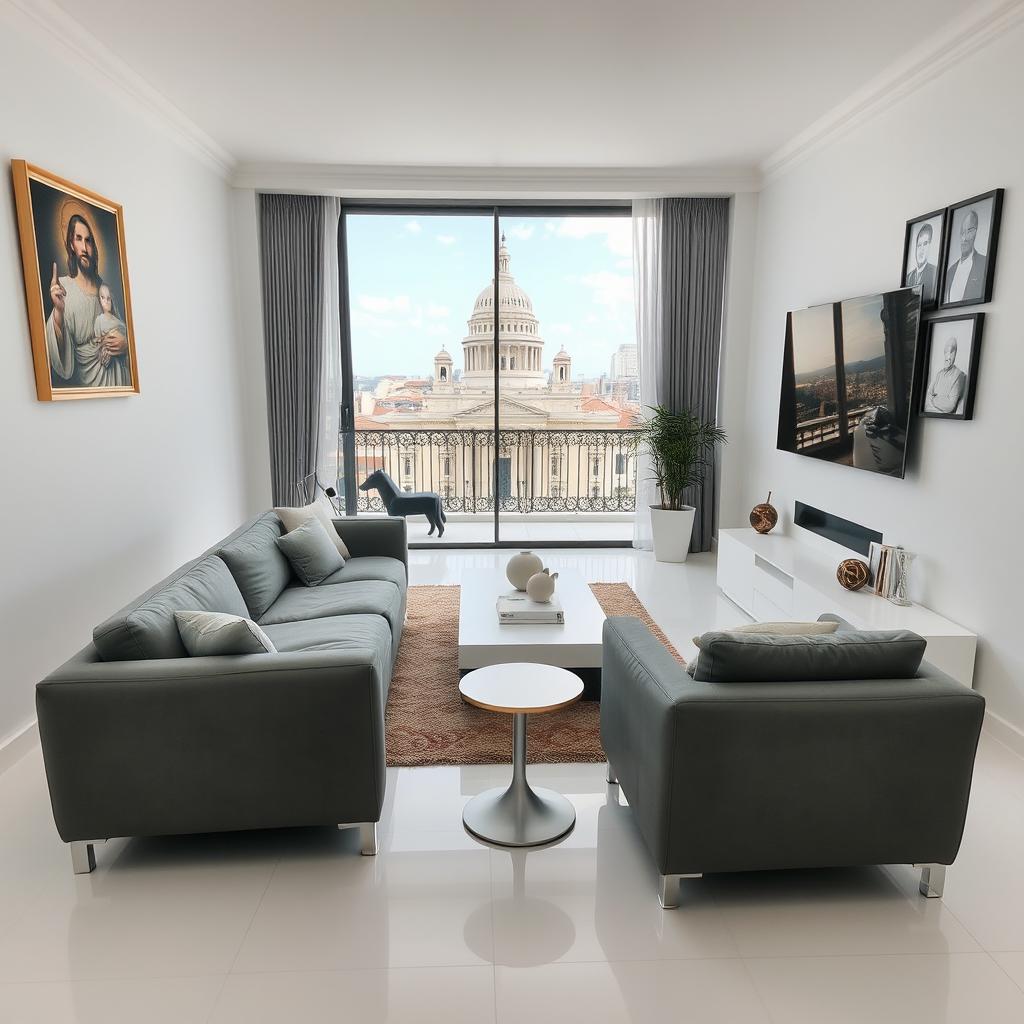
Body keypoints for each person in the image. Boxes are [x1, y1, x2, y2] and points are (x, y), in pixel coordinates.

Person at [45, 213, 128, 387]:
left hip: (118, 379)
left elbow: (121, 327)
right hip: (86, 385)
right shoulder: (64, 287)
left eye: (88, 240)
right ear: (71, 245)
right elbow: (58, 355)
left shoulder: (104, 288)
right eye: (79, 239)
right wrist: (59, 311)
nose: (84, 247)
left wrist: (125, 344)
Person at [944, 208, 988, 304]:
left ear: (976, 232)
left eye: (969, 231)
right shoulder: (950, 271)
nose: (964, 238)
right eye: (962, 232)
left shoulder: (984, 264)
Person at [925, 337, 967, 414]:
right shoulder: (939, 374)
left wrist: (933, 399)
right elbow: (926, 397)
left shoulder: (959, 375)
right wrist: (942, 398)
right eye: (946, 352)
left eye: (951, 352)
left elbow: (950, 407)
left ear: (955, 354)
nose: (948, 356)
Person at [906, 222, 937, 304]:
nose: (921, 249)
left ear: (930, 246)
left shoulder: (935, 273)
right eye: (919, 245)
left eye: (925, 244)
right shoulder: (908, 277)